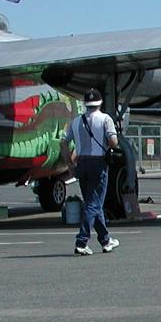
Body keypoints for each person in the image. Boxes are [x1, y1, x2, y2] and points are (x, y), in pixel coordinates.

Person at [63, 88, 120, 256]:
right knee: (94, 203)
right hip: (98, 162)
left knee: (93, 202)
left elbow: (64, 143)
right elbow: (113, 141)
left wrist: (69, 165)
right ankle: (81, 240)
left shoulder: (76, 121)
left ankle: (105, 239)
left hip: (82, 162)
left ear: (85, 103)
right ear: (100, 102)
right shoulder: (105, 119)